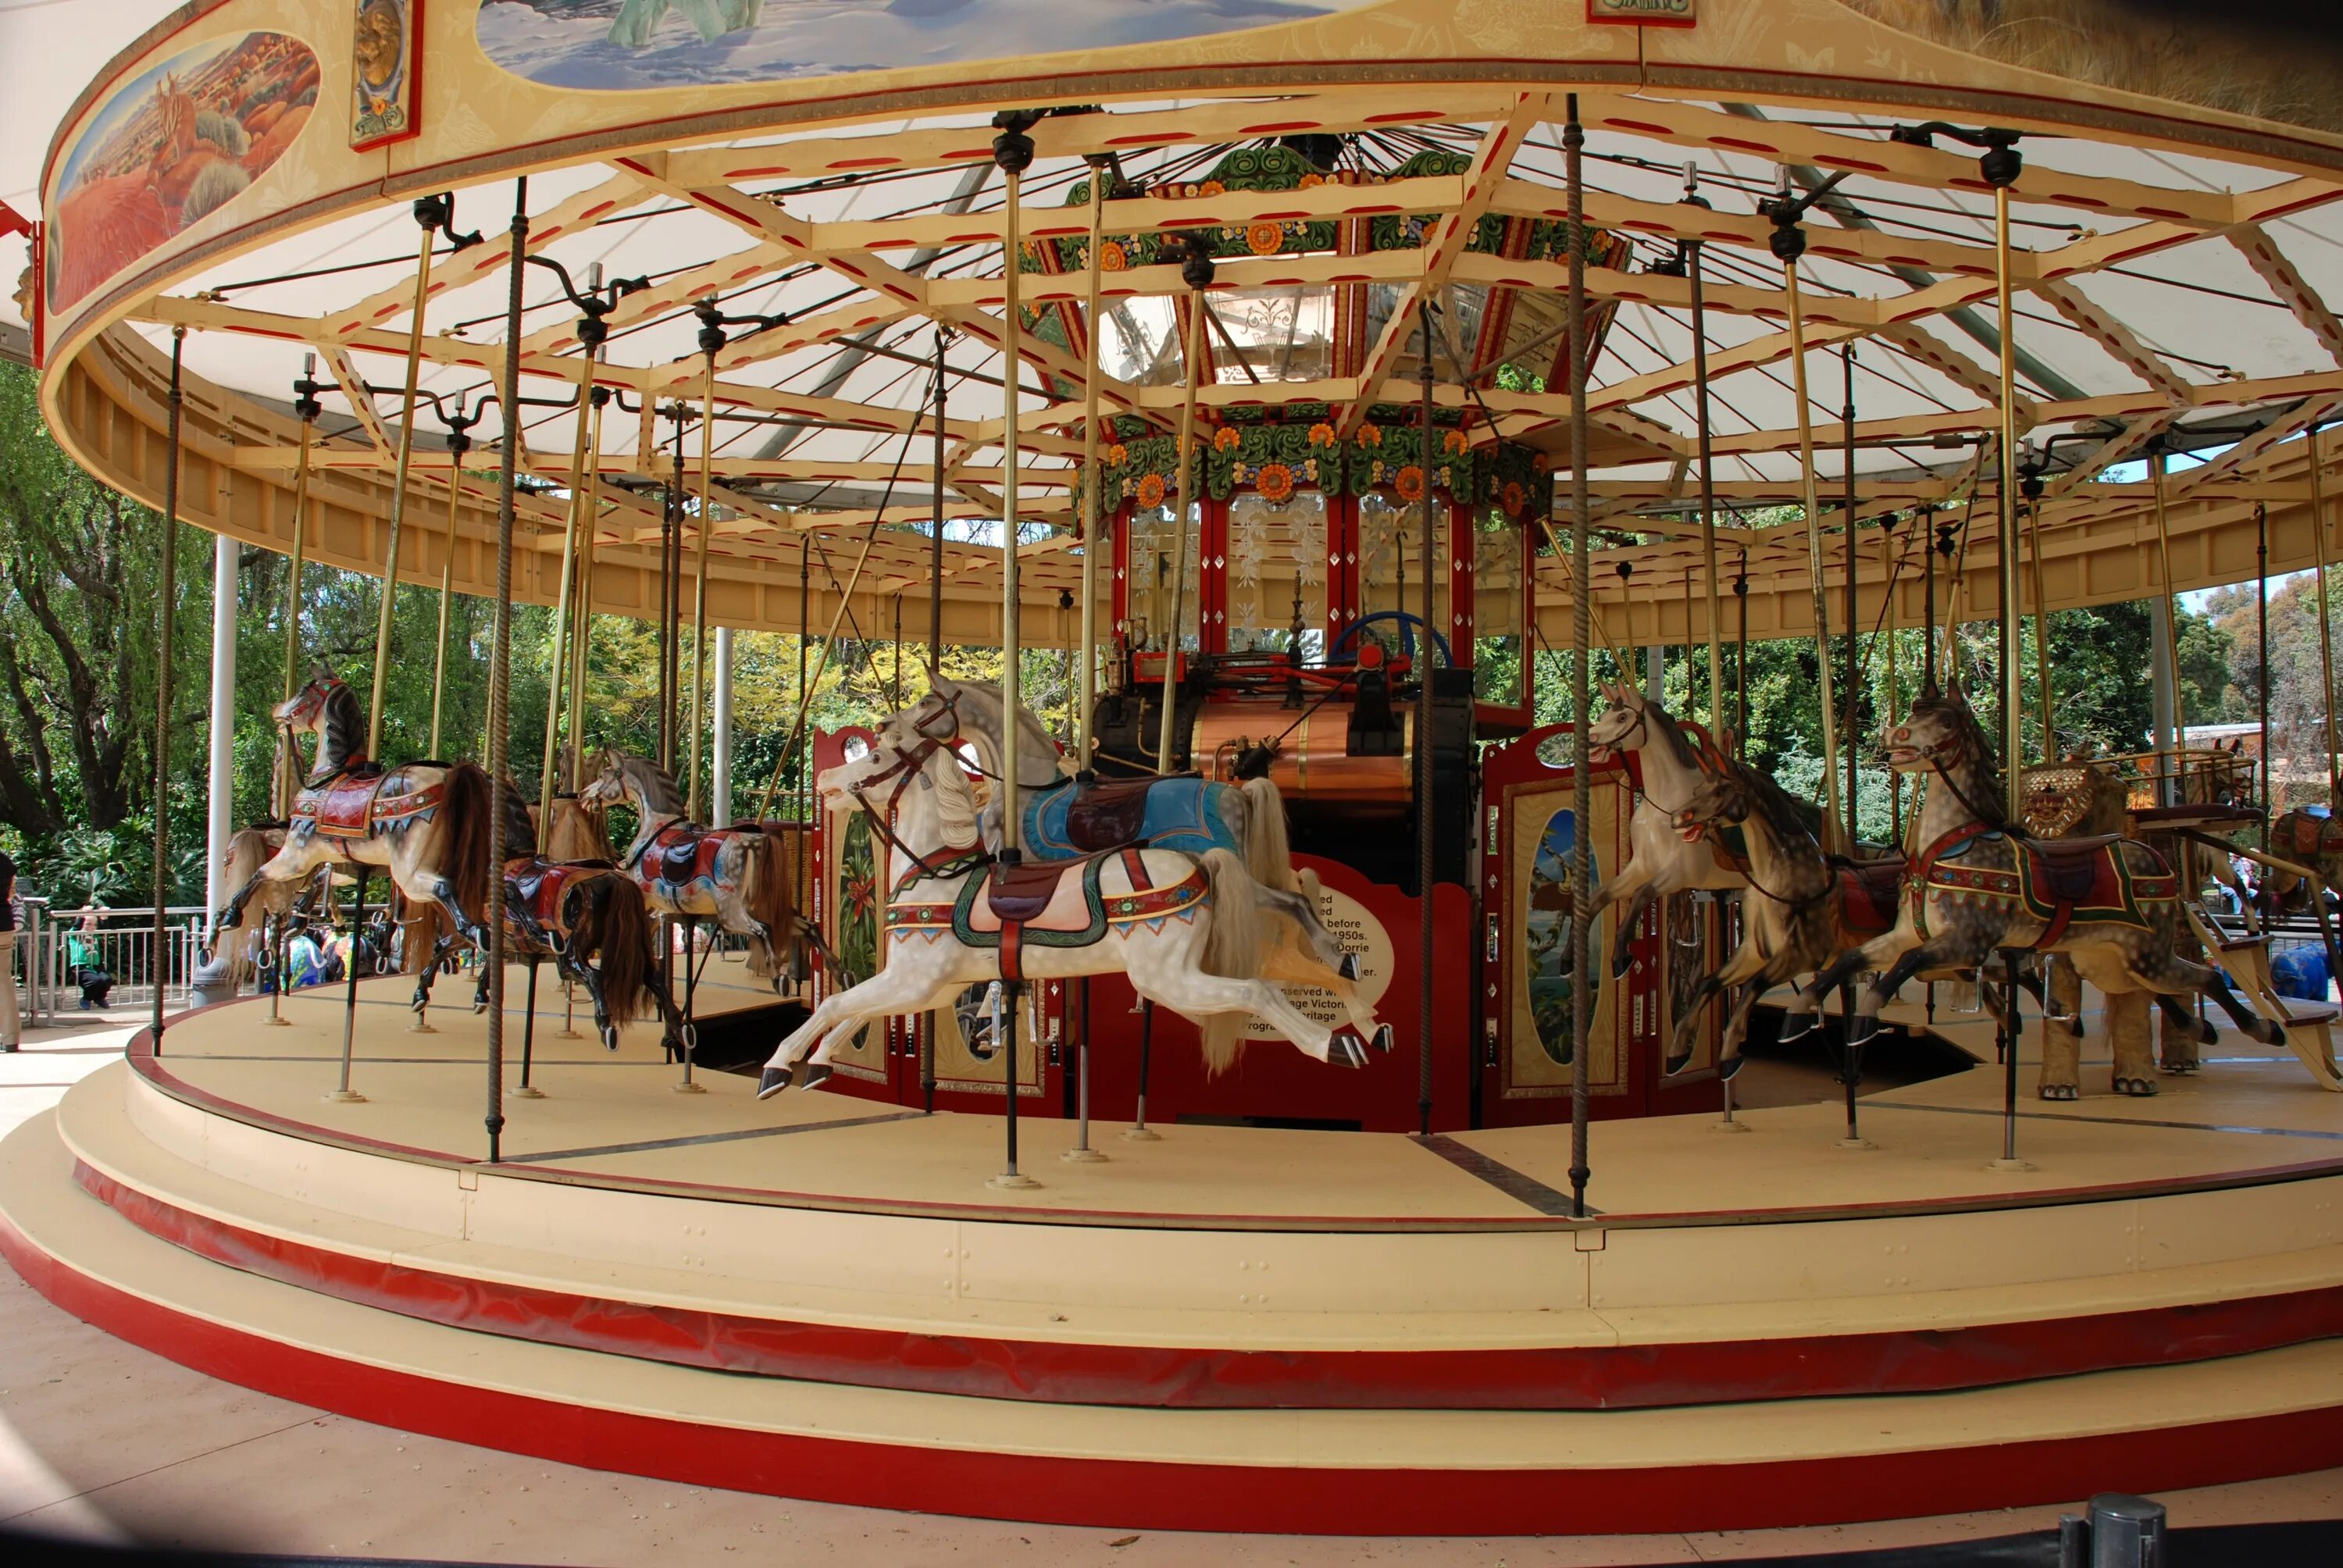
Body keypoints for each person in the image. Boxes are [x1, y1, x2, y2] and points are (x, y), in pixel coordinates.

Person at [68, 908, 112, 1010]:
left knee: (107, 980)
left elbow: (105, 930)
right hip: (81, 965)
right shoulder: (75, 934)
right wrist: (82, 914)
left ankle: (99, 998)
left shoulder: (95, 935)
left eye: (94, 925)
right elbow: (76, 927)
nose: (92, 927)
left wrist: (104, 917)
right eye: (88, 924)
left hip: (96, 965)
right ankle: (86, 999)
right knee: (94, 981)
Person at [0, 851, 20, 1051]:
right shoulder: (5, 862)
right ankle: (10, 1037)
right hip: (4, 922)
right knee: (3, 981)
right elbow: (12, 893)